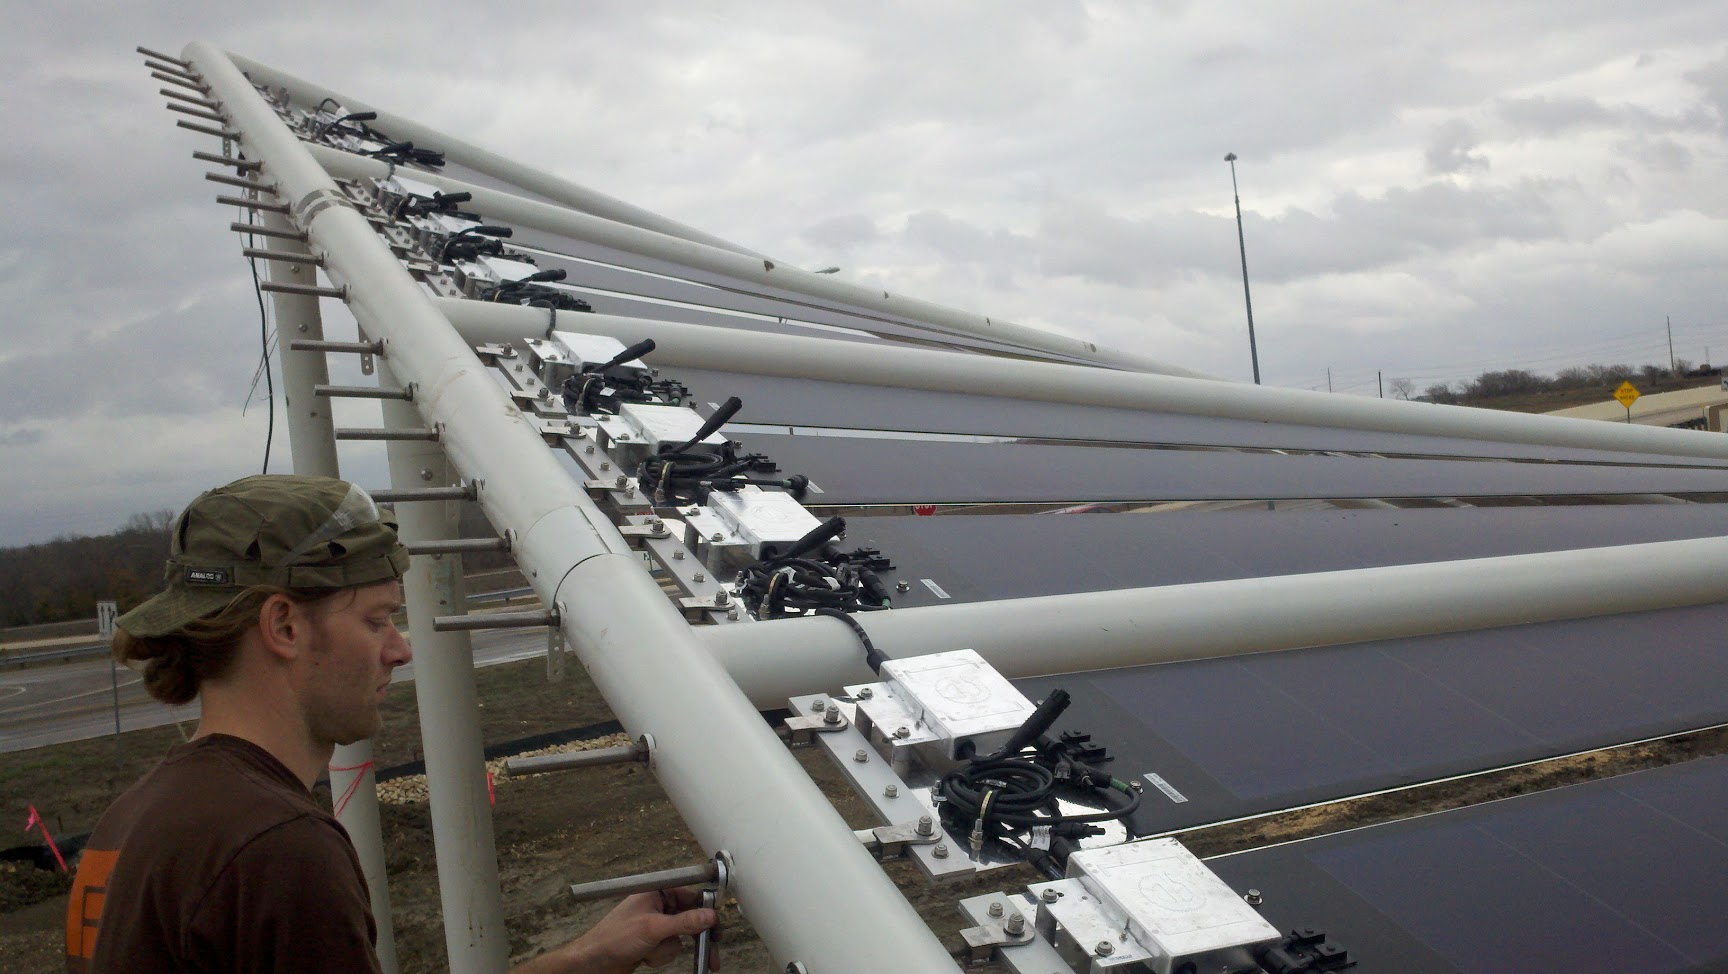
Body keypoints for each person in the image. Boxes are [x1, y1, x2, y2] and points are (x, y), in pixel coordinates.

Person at [65, 475, 716, 974]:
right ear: (284, 627)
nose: (400, 649)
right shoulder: (276, 850)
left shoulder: (135, 820)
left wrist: (586, 958)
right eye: (376, 620)